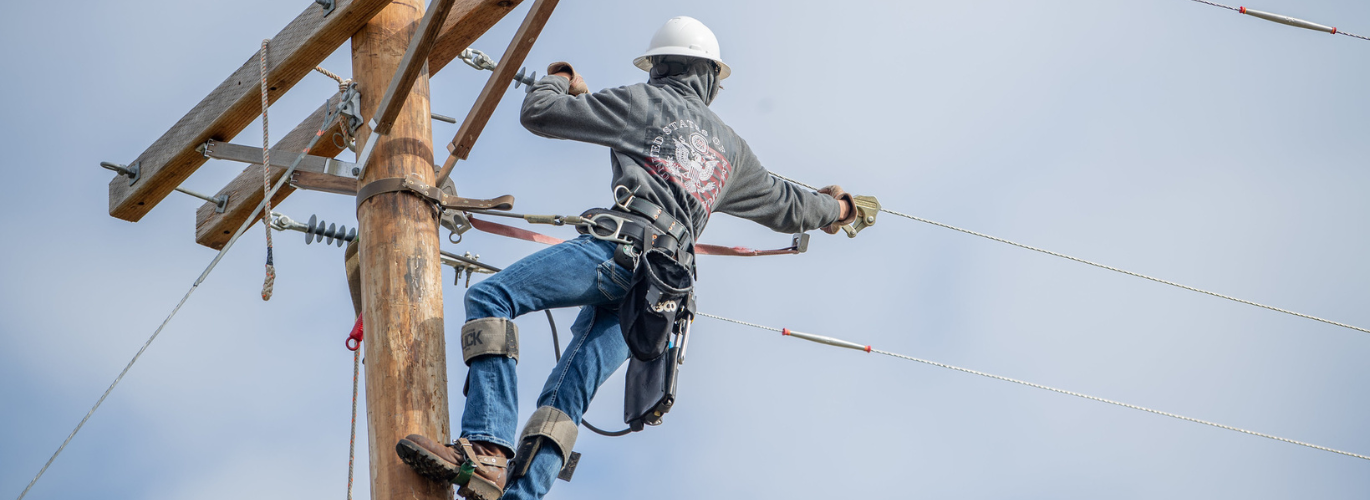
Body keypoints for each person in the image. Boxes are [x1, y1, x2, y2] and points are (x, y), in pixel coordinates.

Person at [394, 16, 869, 500]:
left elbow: (539, 111)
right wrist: (840, 208)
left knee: (493, 296)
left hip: (616, 252)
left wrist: (560, 76)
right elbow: (791, 206)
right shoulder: (733, 153)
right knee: (570, 390)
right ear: (709, 77)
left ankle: (489, 450)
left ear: (659, 66)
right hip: (661, 295)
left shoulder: (642, 102)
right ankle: (522, 495)